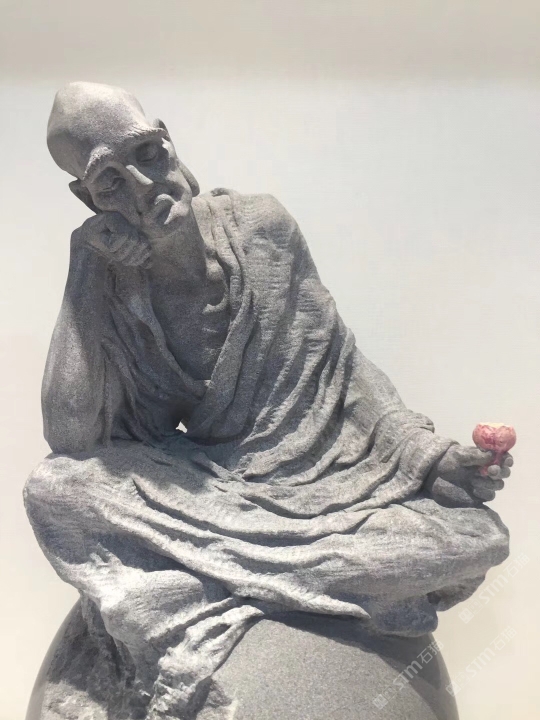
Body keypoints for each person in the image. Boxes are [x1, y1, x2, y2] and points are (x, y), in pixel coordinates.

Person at [25, 82, 512, 720]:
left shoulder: (262, 229)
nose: (143, 186)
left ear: (169, 140)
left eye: (148, 153)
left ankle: (223, 576)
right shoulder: (112, 281)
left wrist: (429, 458)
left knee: (471, 538)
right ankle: (288, 575)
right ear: (86, 200)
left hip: (319, 486)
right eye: (110, 182)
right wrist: (84, 272)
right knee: (55, 490)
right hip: (206, 490)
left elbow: (344, 369)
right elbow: (71, 438)